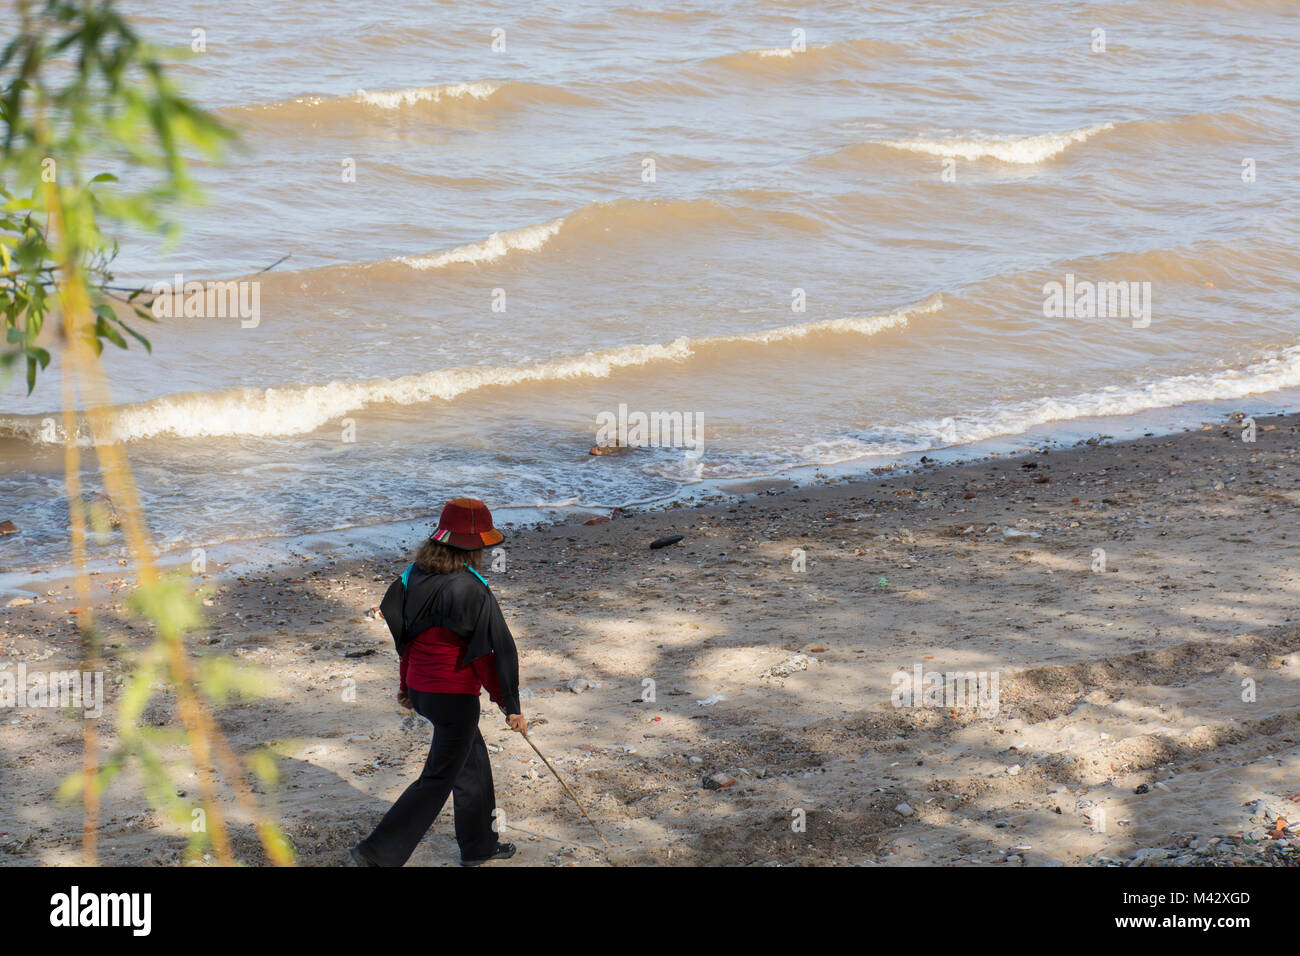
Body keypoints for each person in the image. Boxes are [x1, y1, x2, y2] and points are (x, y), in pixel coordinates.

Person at [350, 498, 525, 867]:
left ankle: (479, 846)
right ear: (474, 546)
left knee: (471, 762)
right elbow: (494, 653)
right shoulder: (473, 590)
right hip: (453, 699)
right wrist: (510, 706)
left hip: (421, 689)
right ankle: (374, 855)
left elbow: (406, 640)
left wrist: (405, 686)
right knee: (436, 780)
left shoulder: (411, 576)